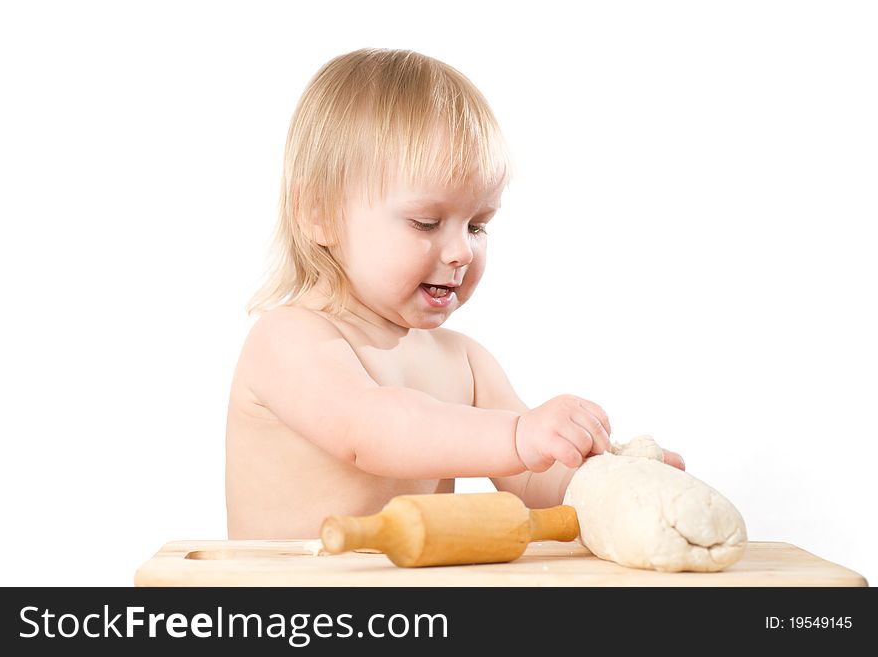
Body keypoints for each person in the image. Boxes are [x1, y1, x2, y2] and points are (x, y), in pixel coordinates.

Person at [225, 48, 684, 539]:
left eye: (479, 225)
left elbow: (531, 473)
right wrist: (517, 434)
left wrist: (611, 482)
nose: (462, 251)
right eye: (427, 222)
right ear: (318, 213)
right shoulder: (289, 340)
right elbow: (373, 432)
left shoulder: (465, 362)